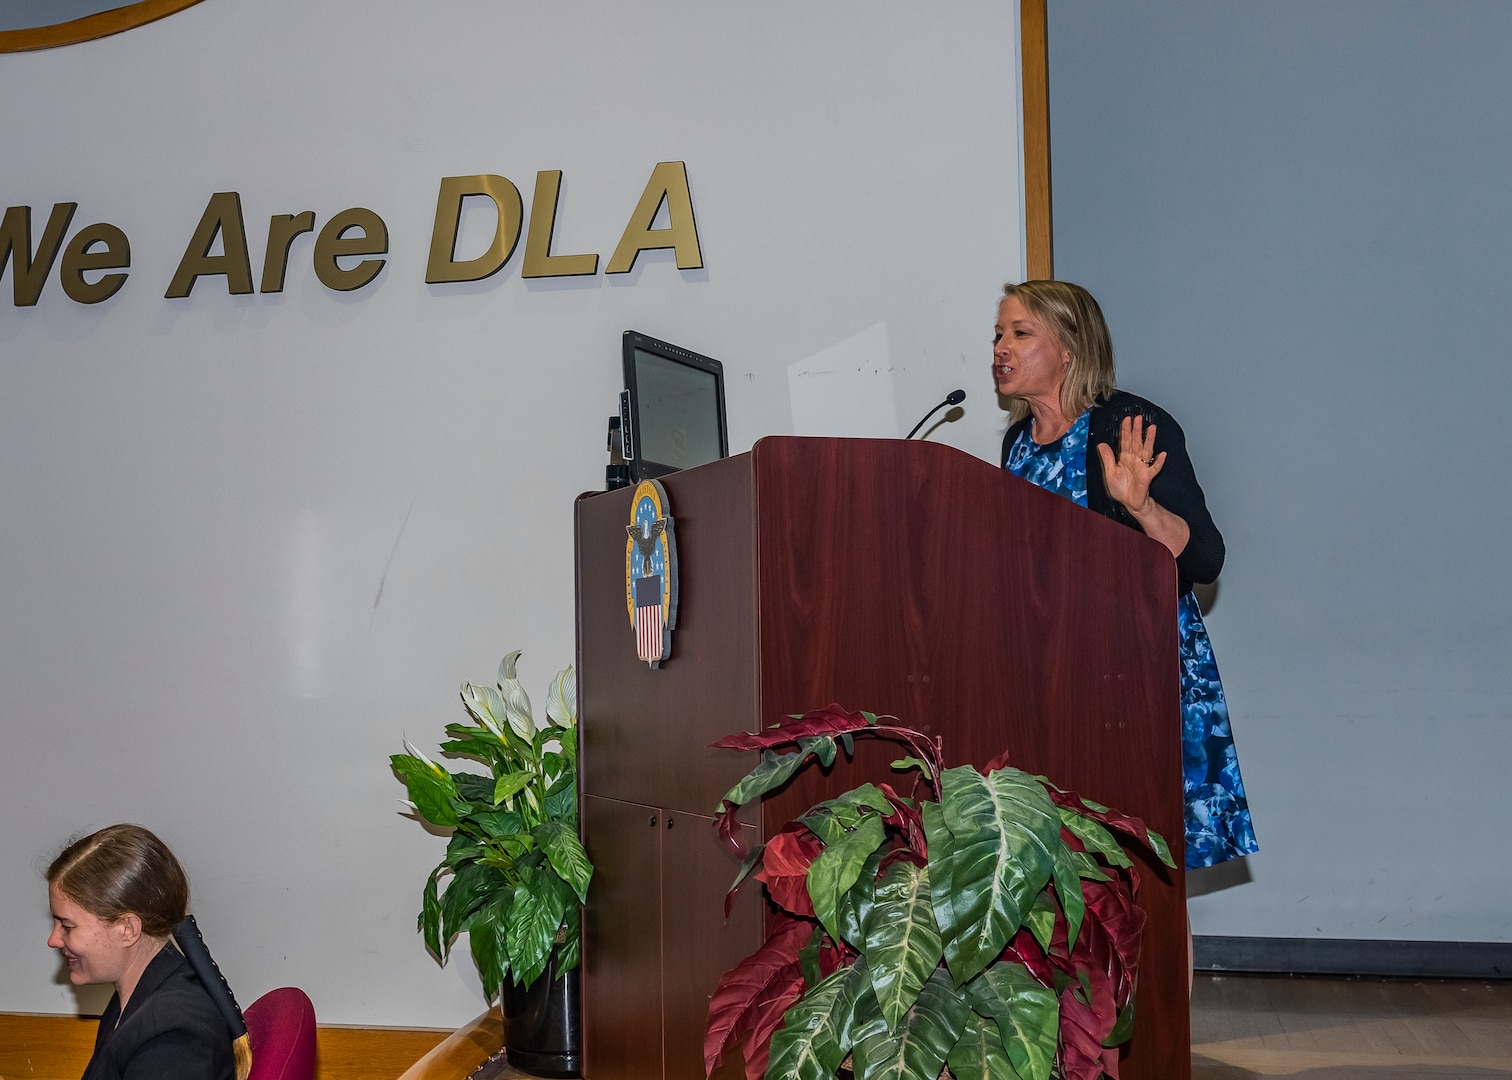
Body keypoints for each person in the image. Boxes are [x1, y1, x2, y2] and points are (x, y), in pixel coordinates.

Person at [994, 280, 1257, 870]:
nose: (1001, 348)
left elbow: (1205, 560)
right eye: (998, 334)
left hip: (1136, 672)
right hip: (1050, 677)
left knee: (1149, 875)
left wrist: (1141, 506)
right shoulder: (1017, 445)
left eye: (1020, 332)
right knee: (1061, 868)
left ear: (1069, 348)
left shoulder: (1130, 425)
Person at [47, 824, 248, 1080]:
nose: (53, 940)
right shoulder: (136, 1000)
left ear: (127, 929)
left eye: (66, 926)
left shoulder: (173, 1032)